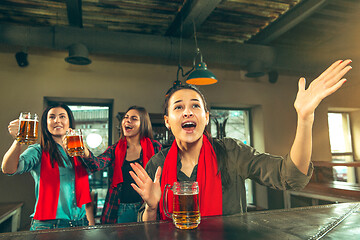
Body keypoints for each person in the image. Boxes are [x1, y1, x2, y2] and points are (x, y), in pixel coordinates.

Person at [129, 59, 352, 221]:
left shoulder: (231, 152)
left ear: (206, 118)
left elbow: (291, 177)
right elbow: (146, 227)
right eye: (179, 107)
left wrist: (305, 118)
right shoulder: (157, 165)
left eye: (195, 105)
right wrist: (151, 207)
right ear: (168, 121)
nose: (188, 112)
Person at [1, 103, 95, 230]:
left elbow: (84, 195)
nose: (57, 120)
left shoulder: (79, 152)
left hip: (81, 223)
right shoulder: (38, 150)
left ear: (69, 122)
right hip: (48, 226)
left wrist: (92, 226)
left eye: (62, 116)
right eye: (52, 117)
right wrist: (18, 140)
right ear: (45, 123)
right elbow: (8, 169)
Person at [81, 106, 162, 224]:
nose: (128, 121)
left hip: (145, 208)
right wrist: (85, 152)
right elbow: (96, 165)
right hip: (118, 208)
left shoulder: (155, 147)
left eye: (134, 118)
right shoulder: (114, 149)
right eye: (126, 117)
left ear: (143, 124)